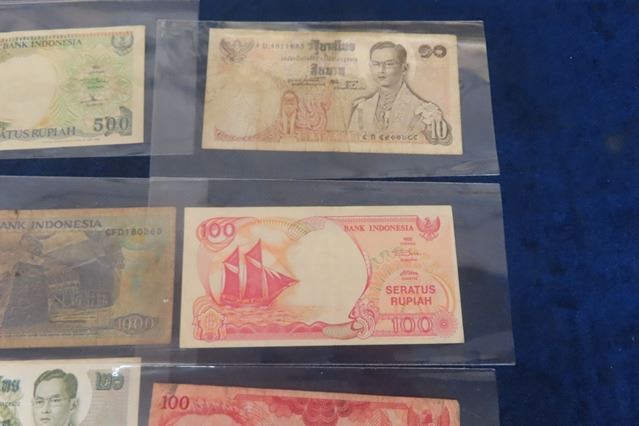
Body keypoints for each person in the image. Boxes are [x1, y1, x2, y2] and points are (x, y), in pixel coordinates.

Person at [349, 41, 452, 145]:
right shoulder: (361, 109)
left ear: (404, 68)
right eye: (376, 64)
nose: (381, 70)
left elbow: (440, 145)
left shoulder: (426, 112)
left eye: (389, 64)